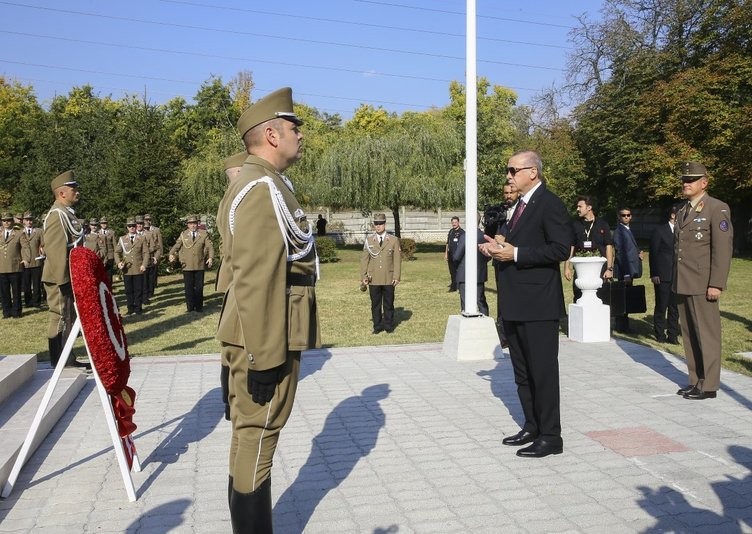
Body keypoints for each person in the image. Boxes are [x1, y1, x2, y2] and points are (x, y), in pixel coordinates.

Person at [216, 87, 320, 532]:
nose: (302, 135)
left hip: (261, 330)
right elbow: (256, 279)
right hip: (265, 334)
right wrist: (261, 356)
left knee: (251, 436)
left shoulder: (268, 183)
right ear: (272, 135)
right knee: (258, 436)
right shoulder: (261, 187)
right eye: (294, 127)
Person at [479, 150, 570, 458]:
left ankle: (550, 436)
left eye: (513, 170)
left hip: (538, 304)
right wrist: (497, 247)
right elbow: (520, 242)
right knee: (522, 372)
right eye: (508, 170)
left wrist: (516, 254)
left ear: (532, 172)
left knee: (542, 371)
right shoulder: (518, 205)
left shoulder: (550, 204)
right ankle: (532, 425)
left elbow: (559, 248)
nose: (508, 175)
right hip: (515, 301)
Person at [673, 162, 733, 400]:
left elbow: (722, 249)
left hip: (703, 282)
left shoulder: (717, 209)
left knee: (706, 334)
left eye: (692, 180)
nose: (686, 184)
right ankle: (696, 380)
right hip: (684, 281)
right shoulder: (682, 210)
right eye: (684, 180)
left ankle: (709, 385)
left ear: (704, 183)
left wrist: (716, 283)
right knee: (689, 334)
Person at [41, 170, 88, 369]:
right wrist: (64, 281)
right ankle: (59, 359)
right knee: (60, 315)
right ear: (62, 193)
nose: (77, 192)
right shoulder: (56, 216)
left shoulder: (67, 214)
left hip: (68, 275)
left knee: (68, 317)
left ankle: (66, 357)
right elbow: (55, 250)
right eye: (72, 189)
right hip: (60, 276)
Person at [216, 150, 248, 422]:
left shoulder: (230, 198)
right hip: (240, 277)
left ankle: (229, 399)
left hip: (232, 276)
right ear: (238, 172)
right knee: (236, 343)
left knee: (232, 343)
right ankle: (232, 401)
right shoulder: (238, 198)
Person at [563, 195, 614, 302]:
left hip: (600, 269)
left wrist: (609, 268)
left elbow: (608, 246)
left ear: (589, 207)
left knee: (600, 297)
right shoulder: (575, 225)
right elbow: (571, 246)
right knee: (578, 295)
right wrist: (567, 266)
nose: (577, 209)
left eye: (580, 206)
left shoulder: (602, 224)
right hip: (581, 268)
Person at [360, 213, 402, 334]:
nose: (378, 226)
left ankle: (389, 326)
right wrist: (363, 276)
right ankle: (377, 327)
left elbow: (397, 260)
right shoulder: (369, 241)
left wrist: (397, 276)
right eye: (376, 224)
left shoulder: (393, 240)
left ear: (385, 224)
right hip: (374, 278)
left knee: (389, 304)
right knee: (375, 304)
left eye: (380, 223)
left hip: (389, 277)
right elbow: (364, 260)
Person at [169, 215, 214, 313]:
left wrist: (210, 258)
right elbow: (177, 246)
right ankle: (190, 307)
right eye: (190, 224)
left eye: (194, 223)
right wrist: (171, 254)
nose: (193, 225)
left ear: (197, 224)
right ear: (188, 225)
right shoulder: (183, 235)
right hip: (187, 265)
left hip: (199, 264)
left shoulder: (203, 234)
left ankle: (199, 307)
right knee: (188, 287)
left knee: (199, 287)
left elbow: (210, 246)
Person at [649, 204, 680, 344]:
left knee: (675, 307)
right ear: (673, 215)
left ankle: (672, 336)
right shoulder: (659, 231)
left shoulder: (683, 232)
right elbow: (653, 254)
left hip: (678, 276)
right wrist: (654, 273)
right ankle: (659, 334)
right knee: (662, 305)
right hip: (662, 275)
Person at [613, 207, 643, 333]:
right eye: (623, 215)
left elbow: (630, 249)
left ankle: (624, 325)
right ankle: (621, 326)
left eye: (628, 215)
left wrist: (638, 253)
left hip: (630, 269)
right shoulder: (619, 231)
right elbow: (620, 253)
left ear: (631, 216)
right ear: (619, 217)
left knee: (627, 298)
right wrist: (625, 273)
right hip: (625, 270)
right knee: (623, 299)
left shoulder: (628, 229)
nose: (626, 217)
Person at [453, 216, 489, 315]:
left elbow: (456, 257)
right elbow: (489, 255)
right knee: (481, 301)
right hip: (479, 274)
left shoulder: (465, 236)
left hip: (465, 275)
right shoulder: (484, 236)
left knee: (466, 304)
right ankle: (485, 323)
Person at [115, 218, 149, 315]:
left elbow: (146, 253)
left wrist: (144, 264)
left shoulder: (141, 238)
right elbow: (116, 252)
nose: (132, 228)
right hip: (127, 269)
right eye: (130, 226)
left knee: (138, 289)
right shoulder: (122, 239)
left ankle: (138, 308)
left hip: (138, 268)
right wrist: (118, 263)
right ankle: (130, 308)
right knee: (128, 290)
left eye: (133, 226)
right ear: (127, 227)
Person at [20, 211, 44, 308]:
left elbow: (43, 244)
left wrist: (43, 251)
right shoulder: (19, 233)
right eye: (27, 220)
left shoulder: (38, 231)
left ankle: (37, 302)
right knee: (26, 284)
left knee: (36, 283)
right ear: (23, 221)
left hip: (36, 261)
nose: (29, 221)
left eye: (31, 219)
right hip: (25, 262)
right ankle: (28, 302)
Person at [1, 212, 23, 318]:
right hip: (2, 267)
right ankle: (6, 312)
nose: (6, 222)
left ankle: (16, 312)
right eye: (4, 220)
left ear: (13, 222)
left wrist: (26, 259)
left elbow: (25, 247)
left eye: (8, 220)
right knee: (4, 292)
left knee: (16, 291)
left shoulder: (18, 234)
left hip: (15, 266)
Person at [143, 214, 163, 302]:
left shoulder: (156, 230)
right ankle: (147, 291)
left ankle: (151, 291)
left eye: (149, 219)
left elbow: (160, 243)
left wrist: (159, 255)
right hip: (145, 255)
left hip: (154, 254)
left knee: (153, 274)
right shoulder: (141, 231)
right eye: (146, 219)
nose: (148, 221)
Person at [444, 216, 464, 292]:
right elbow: (447, 243)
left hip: (458, 255)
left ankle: (460, 286)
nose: (454, 224)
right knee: (452, 272)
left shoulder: (462, 232)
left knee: (459, 271)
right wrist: (446, 253)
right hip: (450, 255)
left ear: (458, 222)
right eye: (453, 223)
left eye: (455, 222)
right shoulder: (451, 231)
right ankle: (453, 287)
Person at [98, 216, 116, 284]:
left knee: (109, 274)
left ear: (107, 223)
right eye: (102, 223)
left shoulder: (112, 232)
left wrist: (115, 256)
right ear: (100, 224)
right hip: (101, 256)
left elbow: (114, 245)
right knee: (101, 274)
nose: (104, 224)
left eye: (105, 223)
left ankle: (110, 290)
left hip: (110, 256)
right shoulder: (98, 233)